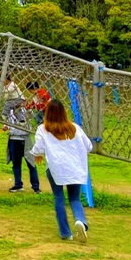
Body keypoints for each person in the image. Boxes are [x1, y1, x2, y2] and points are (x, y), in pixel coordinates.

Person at [30, 99, 93, 242]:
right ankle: (80, 220)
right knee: (75, 198)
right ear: (64, 112)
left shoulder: (43, 129)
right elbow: (89, 146)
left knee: (59, 198)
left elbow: (38, 148)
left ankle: (65, 233)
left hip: (55, 168)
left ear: (47, 113)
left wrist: (38, 154)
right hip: (75, 167)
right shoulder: (74, 128)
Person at [4, 104, 40, 193]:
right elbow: (7, 122)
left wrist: (28, 109)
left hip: (25, 139)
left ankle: (36, 187)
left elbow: (31, 117)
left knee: (31, 163)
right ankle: (18, 185)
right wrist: (6, 126)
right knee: (16, 163)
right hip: (14, 138)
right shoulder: (10, 111)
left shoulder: (25, 110)